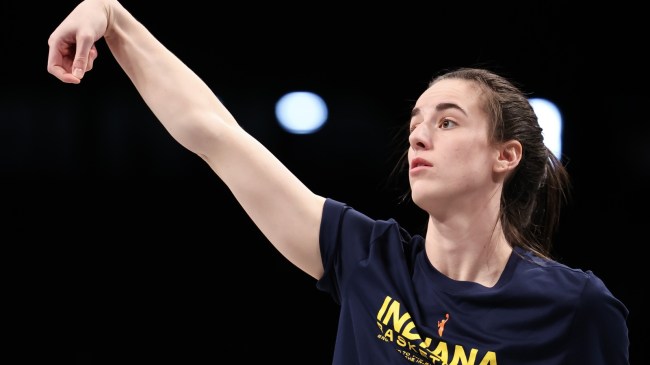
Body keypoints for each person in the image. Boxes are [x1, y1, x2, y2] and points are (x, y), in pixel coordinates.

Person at [47, 1, 630, 364]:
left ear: (506, 155)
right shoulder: (363, 257)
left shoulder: (576, 308)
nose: (419, 137)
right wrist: (114, 18)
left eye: (447, 121)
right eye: (415, 123)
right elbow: (215, 134)